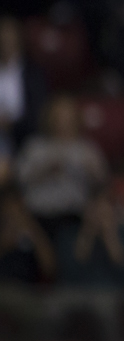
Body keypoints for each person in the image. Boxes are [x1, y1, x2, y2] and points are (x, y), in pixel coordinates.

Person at [13, 97, 107, 232]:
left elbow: (103, 182)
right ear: (49, 118)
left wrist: (91, 170)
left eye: (67, 116)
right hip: (37, 217)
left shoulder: (87, 149)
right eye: (58, 116)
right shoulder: (35, 147)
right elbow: (19, 180)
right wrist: (45, 170)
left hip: (76, 216)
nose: (62, 121)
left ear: (75, 118)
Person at [0, 17, 45, 151]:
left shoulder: (33, 73)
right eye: (2, 34)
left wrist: (11, 125)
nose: (5, 39)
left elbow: (38, 112)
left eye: (10, 35)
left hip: (23, 135)